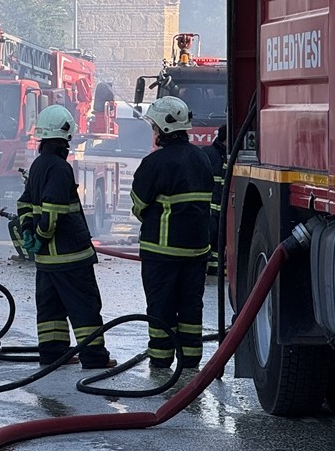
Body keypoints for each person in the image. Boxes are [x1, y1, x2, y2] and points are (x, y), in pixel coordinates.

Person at [12, 104, 116, 369]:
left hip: (47, 261)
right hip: (70, 256)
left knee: (51, 309)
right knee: (85, 307)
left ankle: (53, 353)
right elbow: (53, 212)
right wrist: (40, 234)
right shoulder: (59, 168)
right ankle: (94, 358)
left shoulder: (37, 165)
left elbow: (24, 204)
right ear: (64, 138)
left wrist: (28, 233)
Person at [129, 96, 213, 371]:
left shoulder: (155, 163)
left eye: (154, 126)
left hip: (161, 252)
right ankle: (190, 361)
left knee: (161, 308)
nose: (152, 131)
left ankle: (161, 360)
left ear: (163, 129)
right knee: (190, 307)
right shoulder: (202, 158)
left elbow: (139, 203)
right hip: (197, 250)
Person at [201, 124, 228, 277]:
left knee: (218, 240)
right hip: (211, 208)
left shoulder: (215, 154)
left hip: (220, 209)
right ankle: (213, 269)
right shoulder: (211, 154)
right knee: (212, 238)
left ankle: (215, 268)